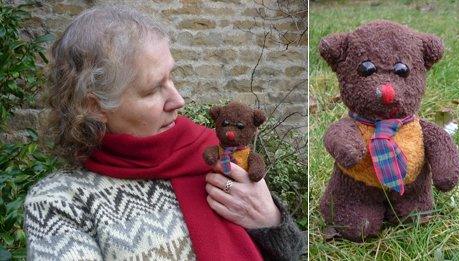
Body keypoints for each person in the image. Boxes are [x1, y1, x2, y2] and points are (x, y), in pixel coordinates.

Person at [23, 5, 305, 261]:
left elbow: (296, 252)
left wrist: (270, 220)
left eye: (171, 77)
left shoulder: (212, 155)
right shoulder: (60, 203)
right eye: (152, 89)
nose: (178, 99)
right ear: (95, 106)